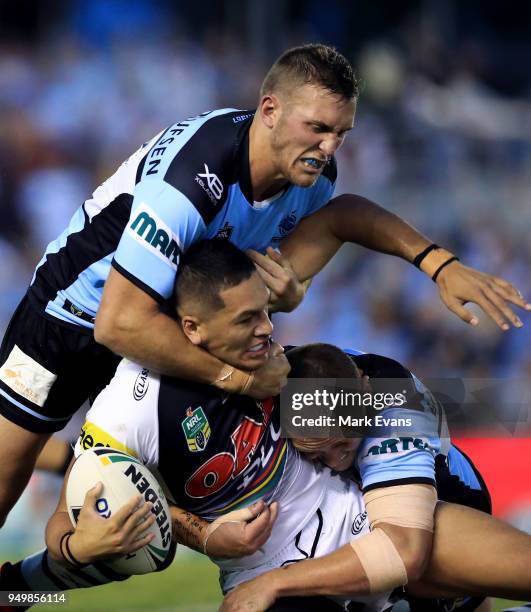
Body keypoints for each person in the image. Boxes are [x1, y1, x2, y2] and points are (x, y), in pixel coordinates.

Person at [0, 45, 528, 531]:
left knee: (330, 401)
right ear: (270, 110)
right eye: (318, 128)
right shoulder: (195, 176)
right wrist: (235, 378)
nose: (328, 147)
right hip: (72, 318)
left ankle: (417, 492)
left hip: (180, 336)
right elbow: (119, 321)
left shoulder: (312, 177)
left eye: (341, 133)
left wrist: (436, 264)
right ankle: (32, 567)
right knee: (22, 482)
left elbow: (340, 219)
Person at [2, 241, 529, 612]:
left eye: (266, 313)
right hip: (264, 576)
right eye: (247, 320)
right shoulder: (132, 409)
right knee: (80, 567)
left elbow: (343, 217)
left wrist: (434, 263)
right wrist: (202, 536)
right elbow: (69, 513)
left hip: (363, 525)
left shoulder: (284, 369)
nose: (268, 329)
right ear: (193, 328)